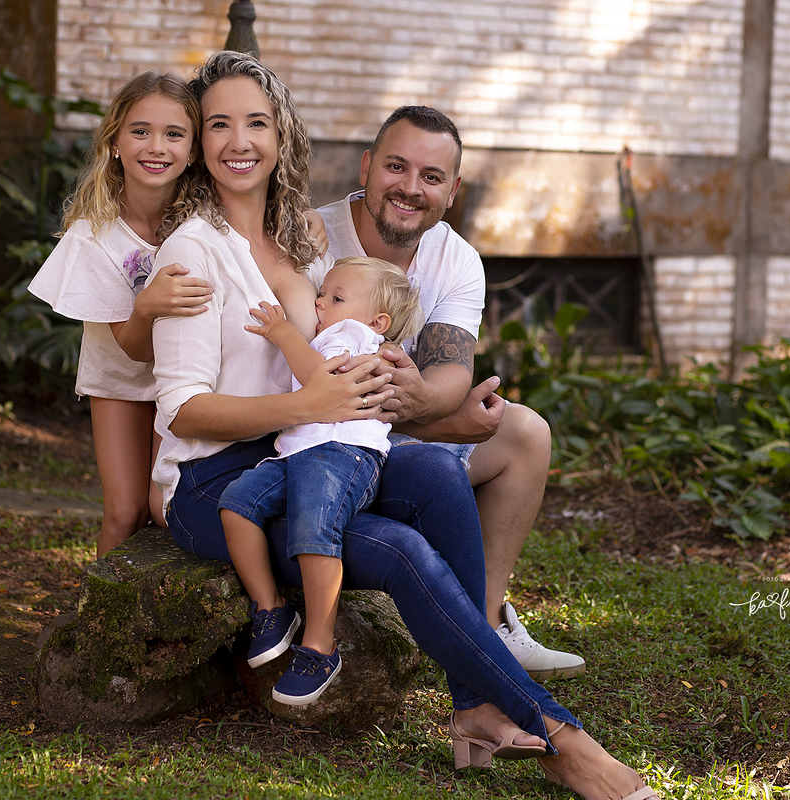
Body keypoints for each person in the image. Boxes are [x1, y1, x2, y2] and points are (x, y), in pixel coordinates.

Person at [149, 50, 656, 800]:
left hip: (289, 452)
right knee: (401, 548)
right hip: (212, 485)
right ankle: (560, 739)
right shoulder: (195, 248)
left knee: (429, 469)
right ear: (197, 140)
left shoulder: (290, 250)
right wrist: (311, 407)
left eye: (255, 121)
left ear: (281, 136)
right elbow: (182, 410)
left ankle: (480, 706)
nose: (237, 140)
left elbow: (323, 366)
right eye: (217, 123)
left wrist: (372, 406)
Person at [316, 106, 585, 679]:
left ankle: (486, 624)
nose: (411, 189)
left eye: (431, 177)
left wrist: (421, 401)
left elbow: (450, 376)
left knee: (525, 433)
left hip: (390, 436)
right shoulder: (312, 239)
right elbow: (306, 382)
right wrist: (434, 419)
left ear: (453, 189)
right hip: (314, 443)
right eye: (396, 167)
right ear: (366, 167)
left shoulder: (456, 258)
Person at [218, 256, 423, 705]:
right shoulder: (335, 334)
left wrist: (283, 333)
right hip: (297, 452)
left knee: (314, 524)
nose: (320, 300)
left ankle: (320, 645)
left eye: (336, 297)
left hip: (342, 453)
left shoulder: (355, 337)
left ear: (377, 320)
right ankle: (270, 609)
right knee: (236, 504)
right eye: (322, 292)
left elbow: (318, 379)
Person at [28, 72, 214, 558]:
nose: (157, 146)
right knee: (125, 510)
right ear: (114, 141)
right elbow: (132, 346)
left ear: (194, 150)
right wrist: (148, 305)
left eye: (174, 134)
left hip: (188, 379)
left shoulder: (205, 223)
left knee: (164, 506)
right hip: (121, 379)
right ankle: (93, 617)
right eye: (140, 131)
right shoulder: (95, 236)